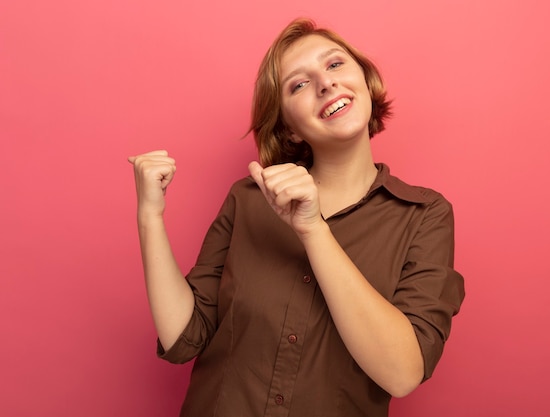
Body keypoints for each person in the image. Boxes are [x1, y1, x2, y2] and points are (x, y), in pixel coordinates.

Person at [128, 18, 464, 417]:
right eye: (299, 84)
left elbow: (402, 373)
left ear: (366, 81)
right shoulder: (247, 200)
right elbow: (185, 335)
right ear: (289, 130)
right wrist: (150, 216)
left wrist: (312, 229)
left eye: (335, 65)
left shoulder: (424, 216)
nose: (325, 84)